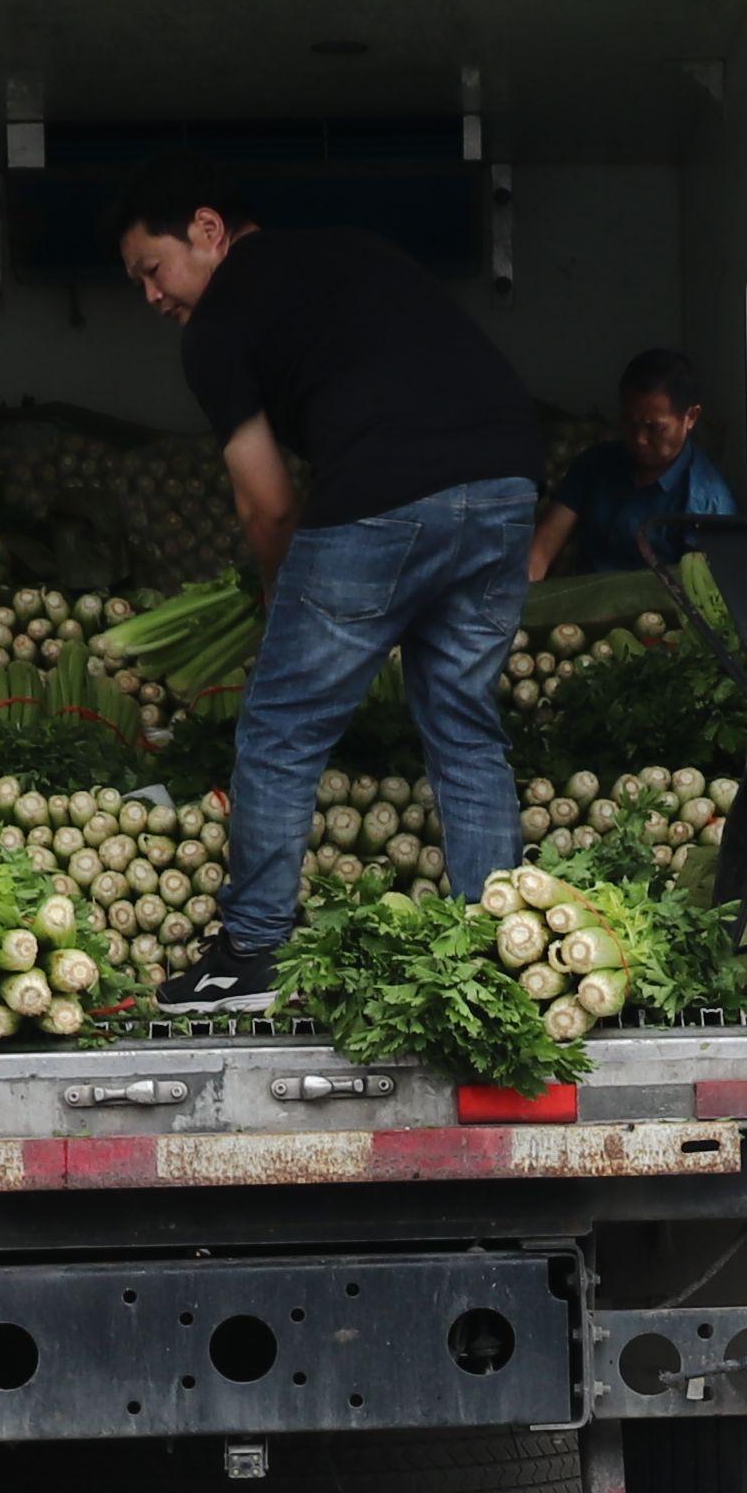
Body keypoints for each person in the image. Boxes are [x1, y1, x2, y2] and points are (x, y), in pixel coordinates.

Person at [110, 175, 545, 1015]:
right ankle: (492, 943)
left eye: (152, 268)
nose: (152, 294)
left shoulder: (218, 327)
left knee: (280, 725)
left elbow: (267, 502)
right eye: (138, 282)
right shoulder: (351, 247)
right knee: (463, 719)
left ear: (208, 228)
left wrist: (282, 601)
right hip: (506, 484)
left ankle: (251, 955)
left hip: (385, 497)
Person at [525, 349, 738, 583]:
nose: (639, 439)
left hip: (660, 613)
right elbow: (543, 547)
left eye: (655, 428)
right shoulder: (595, 463)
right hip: (581, 606)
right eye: (629, 422)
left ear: (691, 417)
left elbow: (703, 595)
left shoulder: (709, 505)